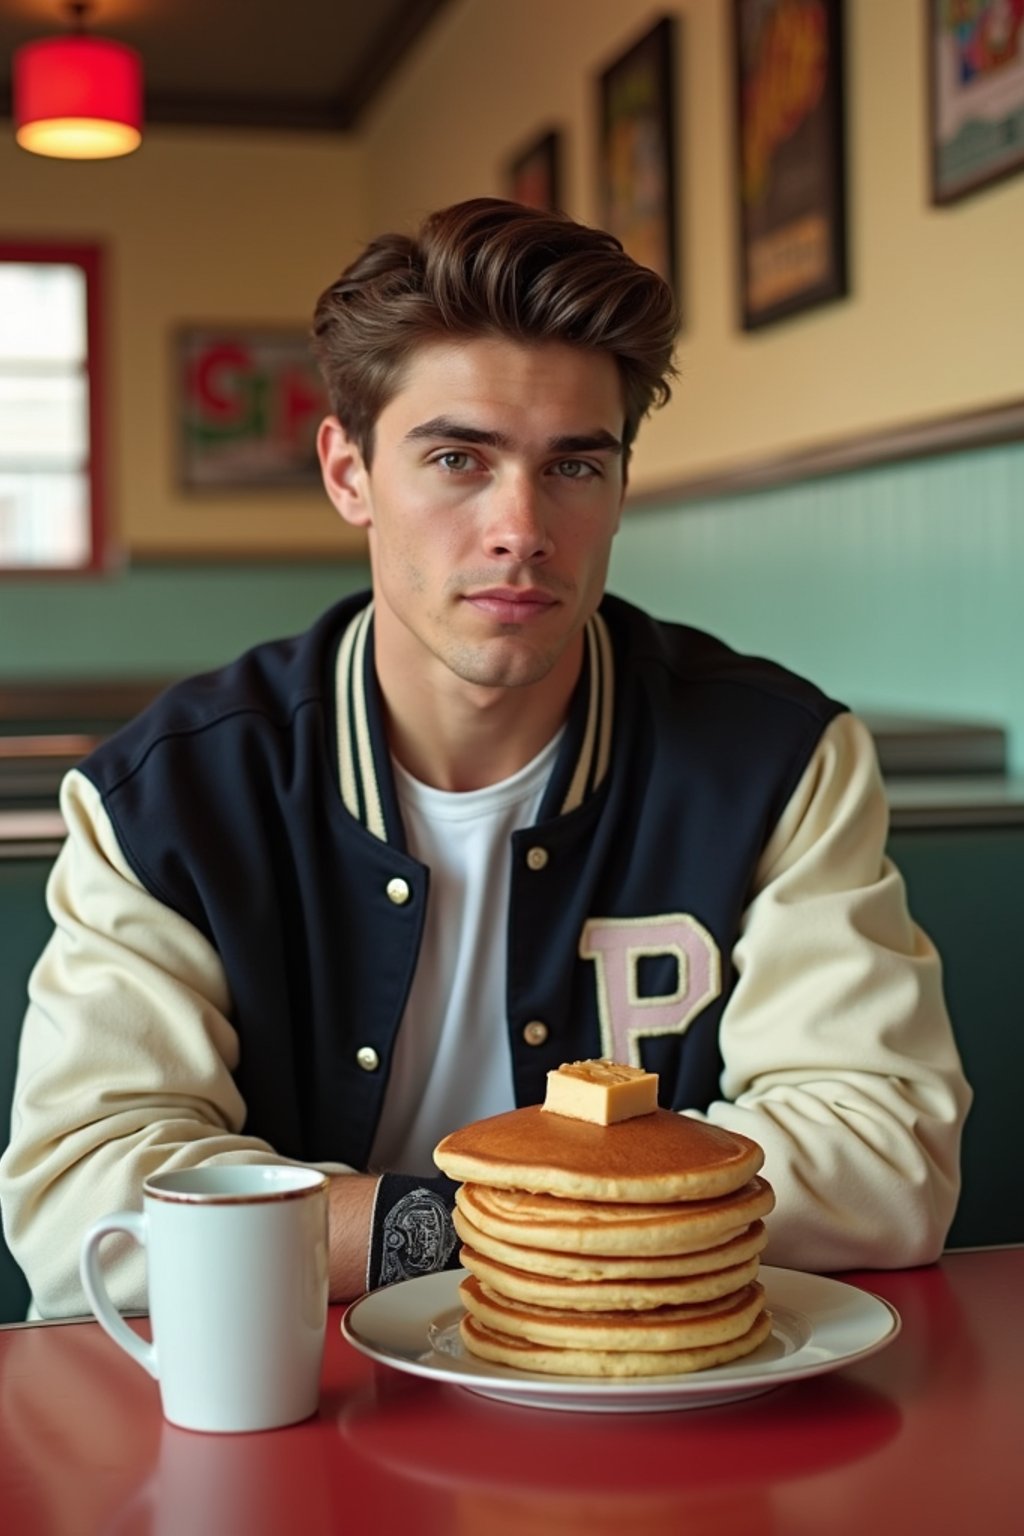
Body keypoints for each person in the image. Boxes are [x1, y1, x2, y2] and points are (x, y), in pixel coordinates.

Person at [0, 199, 971, 1317]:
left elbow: (884, 1162)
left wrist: (381, 1230)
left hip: (666, 1400)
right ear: (348, 472)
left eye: (572, 466)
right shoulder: (168, 797)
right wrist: (478, 1230)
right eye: (458, 458)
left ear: (617, 488)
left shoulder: (778, 762)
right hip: (305, 1409)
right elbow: (86, 1217)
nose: (520, 525)